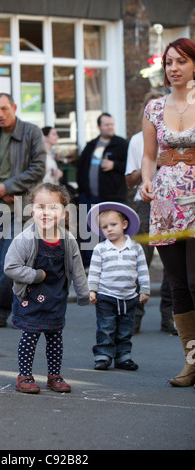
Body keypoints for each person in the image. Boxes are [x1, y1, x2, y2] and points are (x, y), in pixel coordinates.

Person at [141, 38, 195, 388]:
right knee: (177, 285)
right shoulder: (153, 108)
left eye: (181, 61)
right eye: (169, 62)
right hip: (164, 203)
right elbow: (148, 155)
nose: (173, 68)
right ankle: (192, 363)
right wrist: (146, 181)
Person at [4, 183, 89, 393]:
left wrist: (84, 294)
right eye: (41, 207)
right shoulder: (24, 239)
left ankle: (54, 376)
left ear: (63, 212)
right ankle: (24, 376)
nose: (46, 212)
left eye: (53, 207)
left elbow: (77, 269)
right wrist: (34, 275)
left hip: (55, 298)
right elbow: (10, 267)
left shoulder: (68, 240)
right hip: (30, 297)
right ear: (32, 210)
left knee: (55, 337)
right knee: (30, 336)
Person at [0, 93, 46, 327]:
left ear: (14, 107)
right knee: (8, 261)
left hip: (23, 207)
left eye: (4, 109)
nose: (0, 114)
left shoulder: (31, 132)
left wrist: (8, 186)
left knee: (12, 259)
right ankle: (14, 309)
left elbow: (38, 169)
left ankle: (1, 310)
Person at [125, 90, 176, 335]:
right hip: (144, 204)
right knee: (140, 262)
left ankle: (170, 318)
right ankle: (134, 318)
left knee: (172, 265)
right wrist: (154, 163)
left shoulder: (175, 135)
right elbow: (129, 180)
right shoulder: (137, 140)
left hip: (171, 202)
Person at [87, 202, 150, 371]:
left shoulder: (135, 247)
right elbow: (94, 271)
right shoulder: (101, 248)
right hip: (106, 296)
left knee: (125, 328)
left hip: (129, 297)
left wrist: (144, 290)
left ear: (124, 224)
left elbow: (142, 269)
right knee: (106, 327)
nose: (109, 229)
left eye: (113, 225)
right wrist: (92, 290)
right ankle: (103, 356)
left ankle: (124, 357)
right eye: (104, 227)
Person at [77, 113, 128, 267]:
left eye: (112, 124)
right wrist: (82, 190)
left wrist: (114, 165)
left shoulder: (121, 144)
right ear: (99, 127)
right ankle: (90, 266)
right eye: (106, 125)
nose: (110, 127)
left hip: (112, 198)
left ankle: (113, 265)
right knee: (88, 234)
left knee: (111, 232)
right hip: (89, 197)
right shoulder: (92, 145)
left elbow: (132, 166)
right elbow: (81, 168)